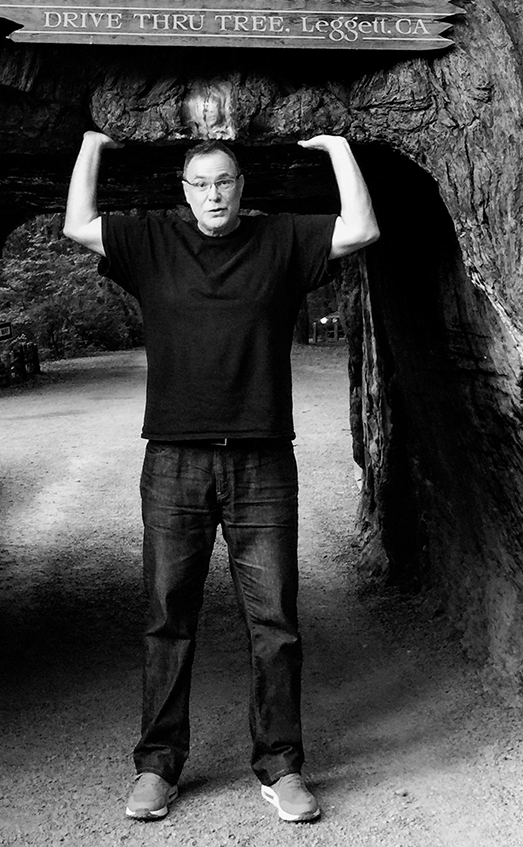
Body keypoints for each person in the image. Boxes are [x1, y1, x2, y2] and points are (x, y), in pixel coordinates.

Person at [63, 130, 379, 824]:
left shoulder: (280, 242)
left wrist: (335, 150)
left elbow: (363, 227)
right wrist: (93, 145)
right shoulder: (151, 243)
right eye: (200, 182)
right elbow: (76, 223)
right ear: (184, 190)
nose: (213, 193)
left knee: (274, 622)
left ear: (243, 187)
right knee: (167, 615)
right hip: (173, 459)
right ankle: (157, 767)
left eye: (225, 181)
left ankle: (281, 766)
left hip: (261, 459)